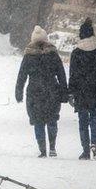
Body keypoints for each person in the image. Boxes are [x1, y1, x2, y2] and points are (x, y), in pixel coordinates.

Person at [16, 25, 68, 157]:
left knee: (38, 120)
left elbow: (22, 75)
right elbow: (61, 74)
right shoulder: (52, 54)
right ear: (46, 40)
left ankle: (42, 150)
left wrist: (19, 92)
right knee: (52, 119)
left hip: (34, 91)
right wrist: (64, 92)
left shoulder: (29, 56)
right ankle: (52, 147)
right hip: (52, 90)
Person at [69, 18, 96, 160]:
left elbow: (73, 74)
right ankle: (94, 143)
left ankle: (85, 150)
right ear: (92, 34)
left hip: (81, 92)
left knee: (83, 121)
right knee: (95, 119)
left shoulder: (76, 53)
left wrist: (71, 92)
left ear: (81, 35)